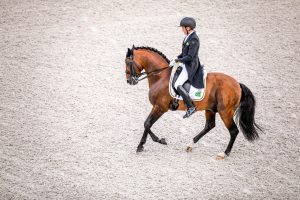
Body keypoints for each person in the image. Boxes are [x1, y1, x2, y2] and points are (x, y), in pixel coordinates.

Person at [170, 17, 203, 118]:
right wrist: (177, 57)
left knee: (177, 84)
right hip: (186, 63)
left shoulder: (194, 39)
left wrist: (178, 61)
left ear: (188, 28)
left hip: (191, 66)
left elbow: (190, 56)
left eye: (183, 28)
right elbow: (185, 52)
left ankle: (191, 107)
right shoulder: (188, 37)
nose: (182, 30)